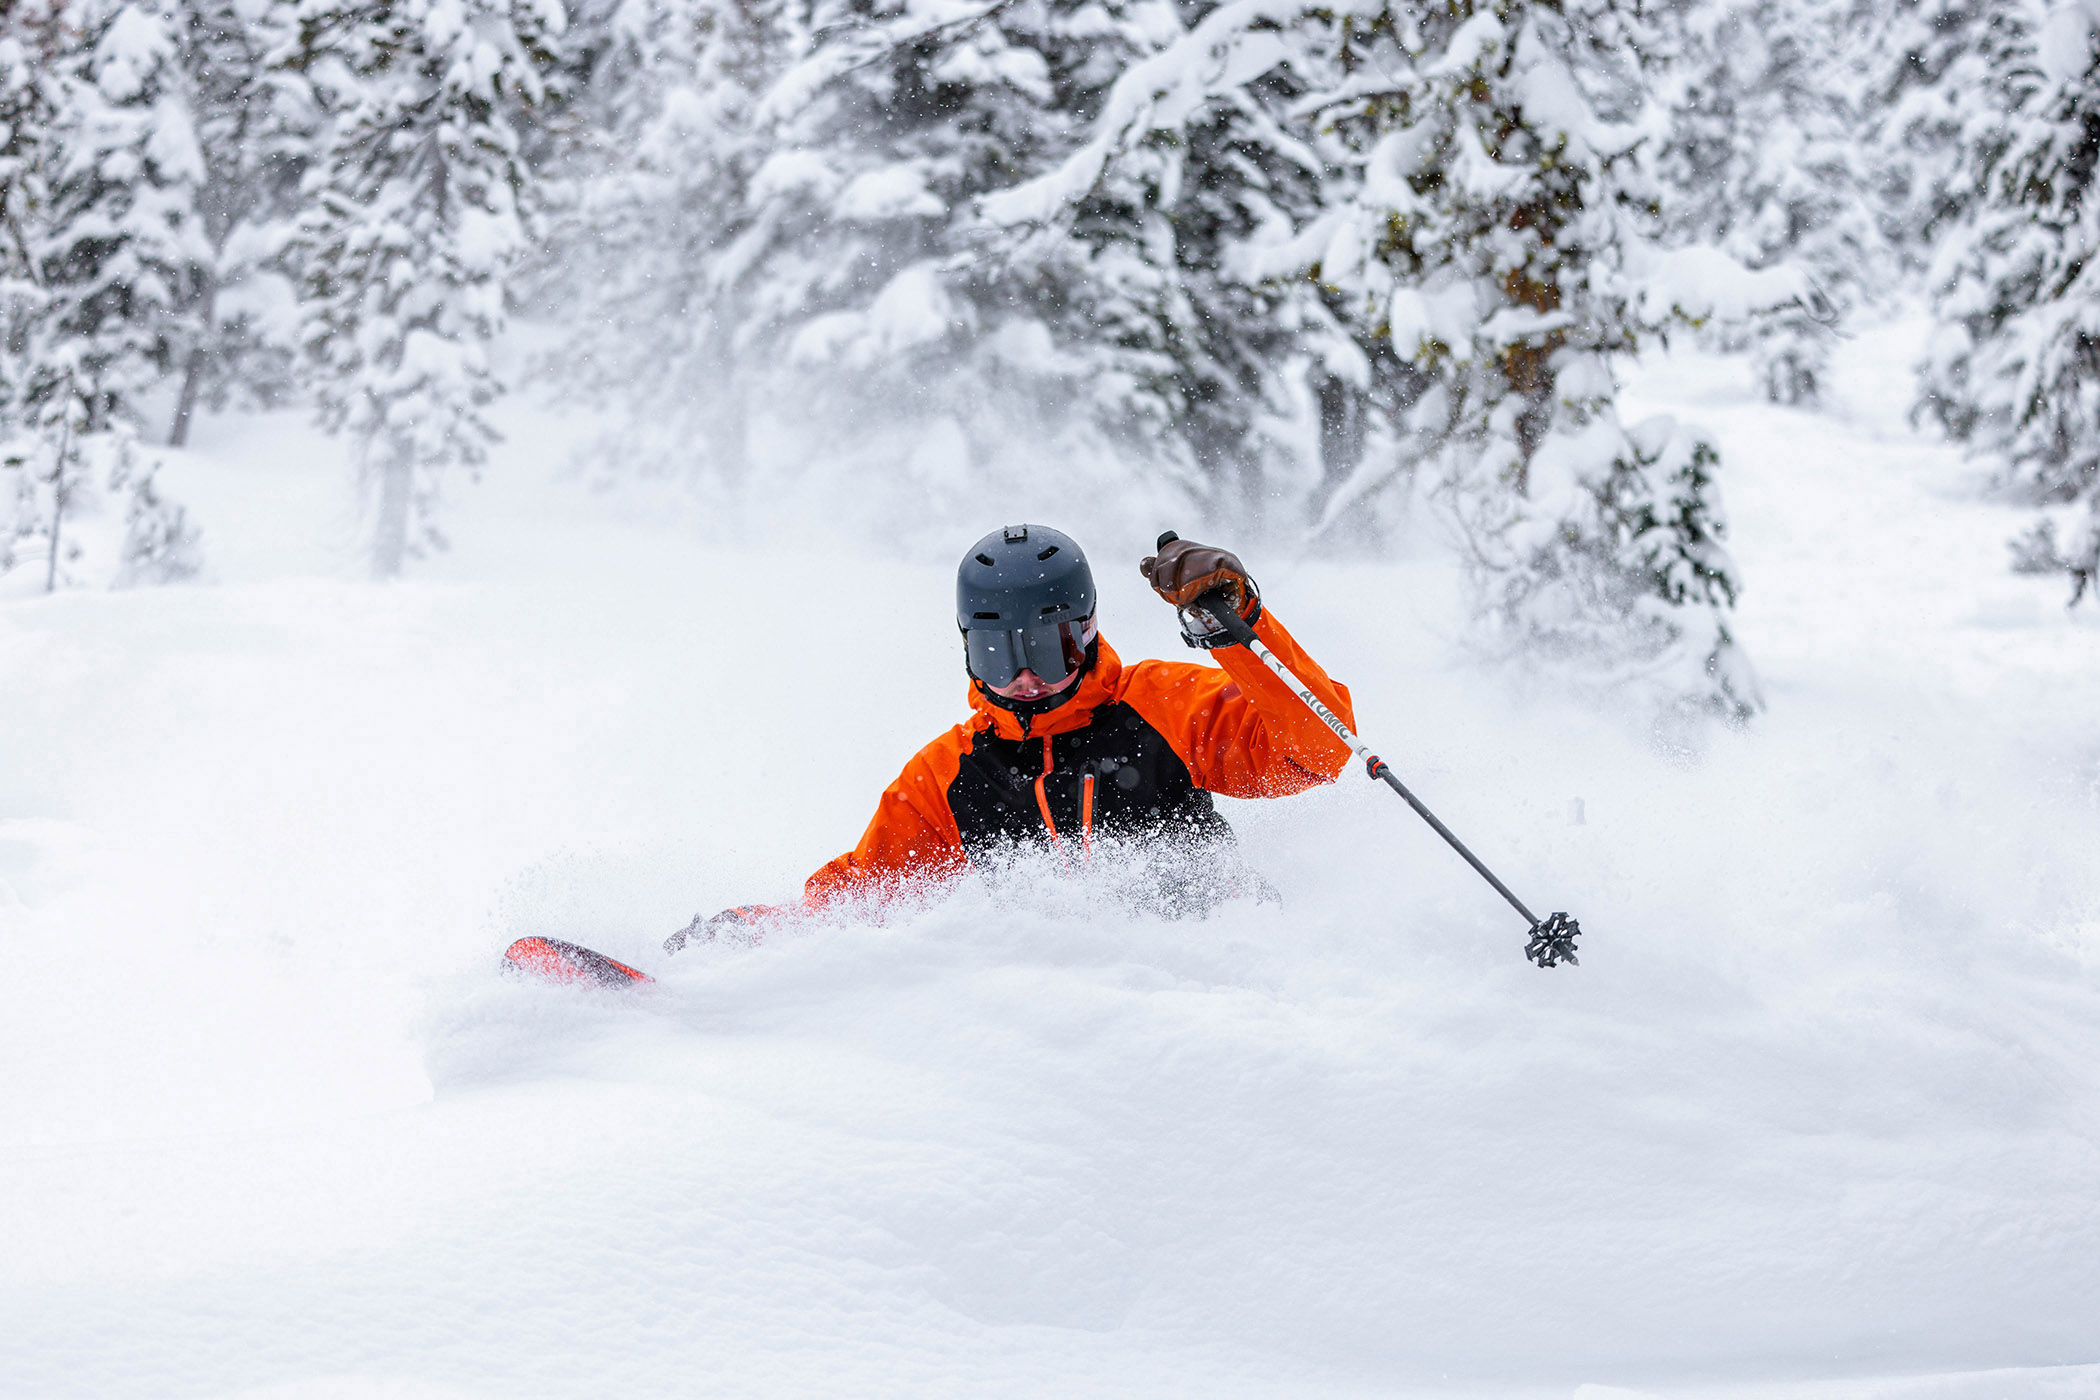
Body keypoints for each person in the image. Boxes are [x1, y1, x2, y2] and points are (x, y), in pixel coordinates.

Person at [667, 526, 1357, 949]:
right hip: (1057, 1029)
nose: (1024, 678)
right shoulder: (947, 777)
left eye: (1046, 652)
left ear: (1084, 633)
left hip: (1210, 981)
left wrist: (1238, 627)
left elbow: (1318, 752)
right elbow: (857, 906)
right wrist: (750, 937)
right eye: (998, 655)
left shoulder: (1162, 706)